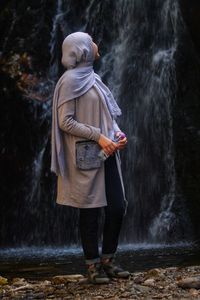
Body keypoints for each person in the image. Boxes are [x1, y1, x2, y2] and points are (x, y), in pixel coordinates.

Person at [51, 32, 129, 284]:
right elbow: (65, 122)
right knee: (90, 211)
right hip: (87, 154)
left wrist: (116, 133)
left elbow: (107, 115)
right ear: (83, 49)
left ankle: (108, 259)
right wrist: (98, 136)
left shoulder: (93, 78)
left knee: (118, 206)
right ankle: (93, 265)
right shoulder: (69, 81)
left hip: (107, 152)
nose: (96, 43)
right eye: (91, 40)